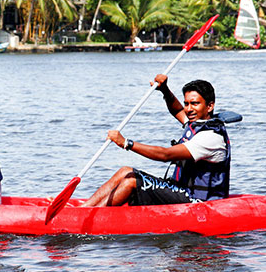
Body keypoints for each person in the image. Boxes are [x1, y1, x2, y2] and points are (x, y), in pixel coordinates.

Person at [81, 75, 230, 207]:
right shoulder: (196, 123)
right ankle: (84, 209)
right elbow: (177, 110)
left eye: (195, 103)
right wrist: (164, 90)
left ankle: (88, 215)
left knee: (131, 181)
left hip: (199, 201)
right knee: (125, 171)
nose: (188, 109)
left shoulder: (211, 137)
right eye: (186, 103)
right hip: (180, 189)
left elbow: (165, 155)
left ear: (209, 106)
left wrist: (126, 143)